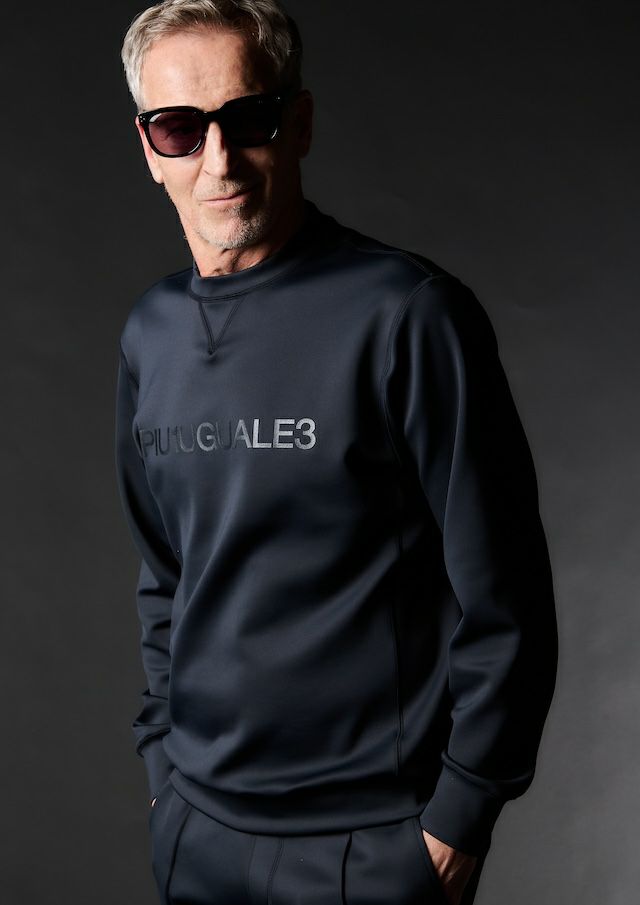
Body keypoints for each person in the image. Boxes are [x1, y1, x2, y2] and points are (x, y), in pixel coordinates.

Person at [115, 2, 558, 903]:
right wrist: (164, 770)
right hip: (195, 830)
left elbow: (508, 597)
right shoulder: (149, 335)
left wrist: (456, 819)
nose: (218, 160)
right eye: (180, 129)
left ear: (300, 122)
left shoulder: (408, 314)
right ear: (149, 148)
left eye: (248, 119)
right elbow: (165, 575)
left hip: (369, 845)